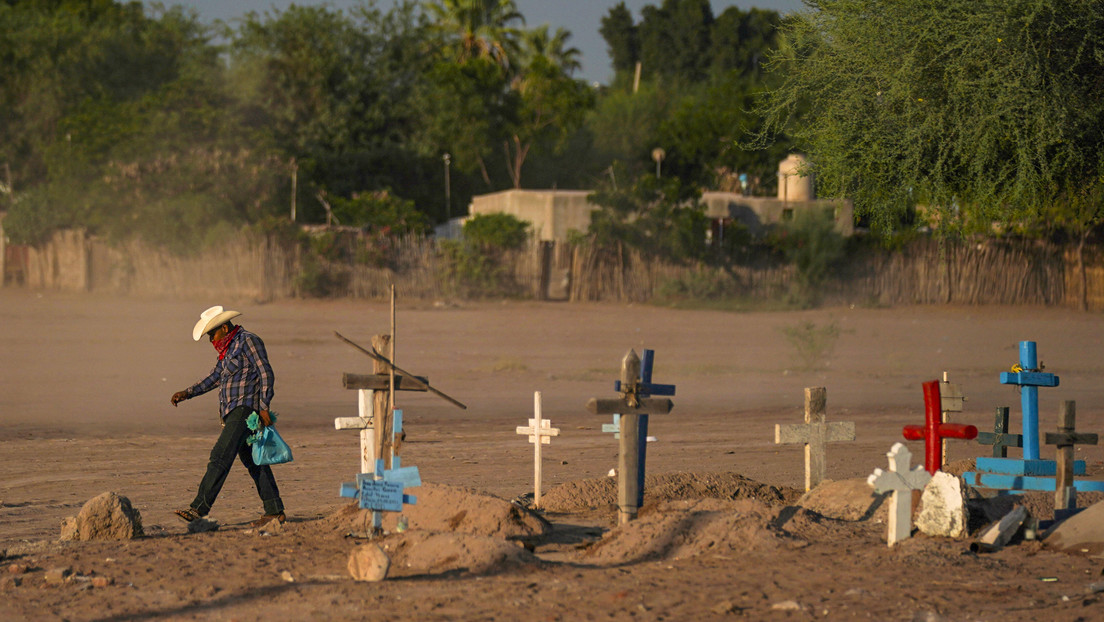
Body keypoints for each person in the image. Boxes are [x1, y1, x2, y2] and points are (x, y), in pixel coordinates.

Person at [170, 305, 286, 527]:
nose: (210, 339)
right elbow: (215, 377)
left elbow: (265, 373)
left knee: (220, 455)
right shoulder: (227, 350)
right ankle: (274, 510)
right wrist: (187, 393)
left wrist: (263, 406)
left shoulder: (248, 341)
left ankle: (198, 508)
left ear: (224, 327)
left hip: (245, 410)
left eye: (212, 333)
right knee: (254, 461)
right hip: (233, 411)